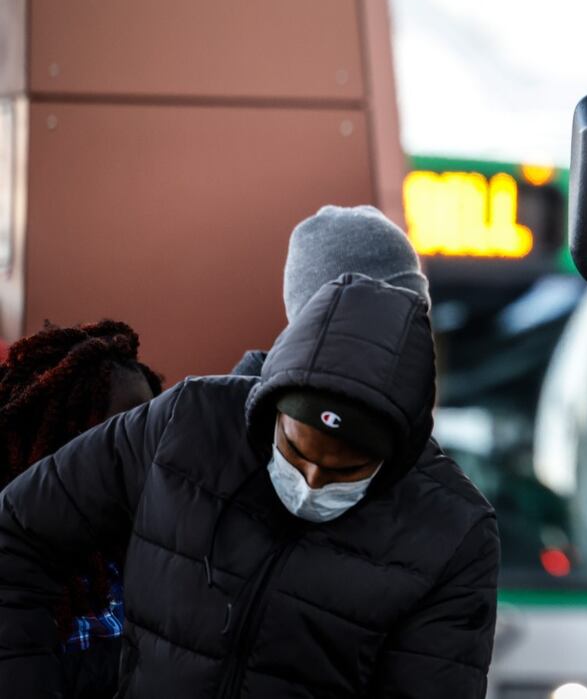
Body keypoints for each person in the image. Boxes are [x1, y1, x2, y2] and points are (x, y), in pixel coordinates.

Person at [0, 273, 499, 698]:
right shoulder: (188, 424)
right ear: (269, 410)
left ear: (396, 459)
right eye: (297, 450)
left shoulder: (453, 534)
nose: (311, 482)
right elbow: (17, 533)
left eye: (345, 471)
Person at [0, 321, 162, 699]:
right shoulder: (24, 570)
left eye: (148, 431)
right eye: (115, 438)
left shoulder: (151, 547)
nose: (141, 454)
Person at [232, 203, 431, 377]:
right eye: (393, 319)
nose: (407, 341)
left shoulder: (397, 407)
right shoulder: (229, 416)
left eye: (414, 320)